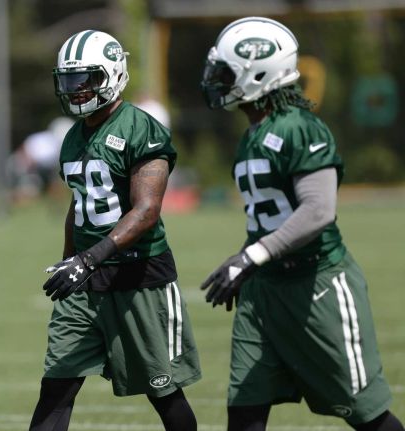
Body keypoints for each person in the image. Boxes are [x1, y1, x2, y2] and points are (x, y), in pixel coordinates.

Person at [200, 17, 404, 431]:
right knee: (244, 412)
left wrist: (251, 256)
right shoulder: (252, 133)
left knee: (367, 415)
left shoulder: (301, 127)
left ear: (259, 74)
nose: (216, 81)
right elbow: (267, 217)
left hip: (318, 286)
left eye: (225, 73)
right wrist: (248, 262)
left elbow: (318, 211)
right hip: (263, 292)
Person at [29, 30, 201, 431]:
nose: (74, 90)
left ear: (111, 75)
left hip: (139, 276)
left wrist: (88, 258)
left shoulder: (141, 128)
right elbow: (79, 203)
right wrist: (70, 258)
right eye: (68, 81)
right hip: (88, 278)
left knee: (164, 390)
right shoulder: (73, 136)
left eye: (84, 79)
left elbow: (146, 211)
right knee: (56, 387)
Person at [8, 116, 74, 203]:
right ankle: (5, 204)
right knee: (30, 192)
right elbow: (27, 159)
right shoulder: (47, 145)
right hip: (22, 167)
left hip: (33, 168)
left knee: (53, 186)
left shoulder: (52, 144)